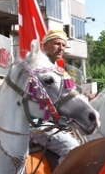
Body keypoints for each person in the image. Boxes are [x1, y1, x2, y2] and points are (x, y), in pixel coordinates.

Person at [31, 29, 81, 163]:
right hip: (36, 123)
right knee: (73, 148)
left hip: (59, 123)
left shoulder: (62, 72)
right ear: (44, 45)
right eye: (57, 44)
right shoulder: (35, 67)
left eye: (64, 45)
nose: (61, 48)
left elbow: (71, 101)